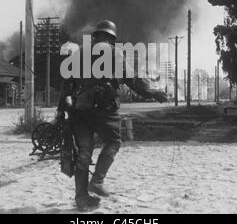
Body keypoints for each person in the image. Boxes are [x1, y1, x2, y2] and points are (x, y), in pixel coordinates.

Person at [57, 20, 168, 211]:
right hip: (104, 111)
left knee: (83, 155)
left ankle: (82, 198)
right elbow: (132, 79)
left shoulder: (79, 53)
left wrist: (61, 111)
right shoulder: (114, 53)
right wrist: (153, 93)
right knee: (114, 142)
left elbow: (67, 85)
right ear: (112, 38)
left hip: (80, 111)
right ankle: (97, 181)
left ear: (95, 36)